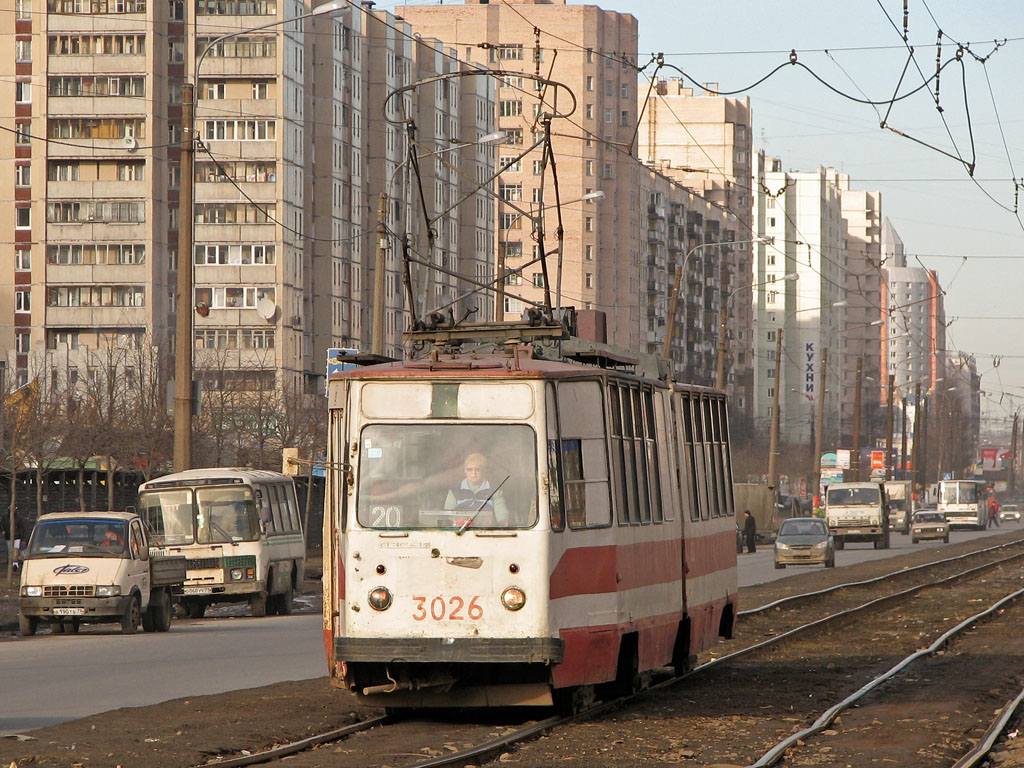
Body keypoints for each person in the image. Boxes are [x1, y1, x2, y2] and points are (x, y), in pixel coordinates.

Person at [444, 452, 510, 526]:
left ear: (484, 471)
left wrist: (502, 521)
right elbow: (447, 516)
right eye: (469, 469)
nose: (473, 473)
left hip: (486, 532)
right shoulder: (454, 491)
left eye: (477, 469)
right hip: (460, 532)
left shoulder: (495, 490)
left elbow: (501, 511)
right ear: (465, 471)